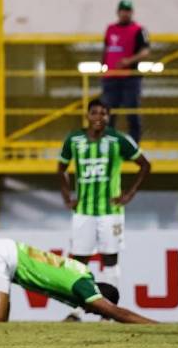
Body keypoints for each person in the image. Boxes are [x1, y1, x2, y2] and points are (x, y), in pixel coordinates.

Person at [57, 98, 150, 321]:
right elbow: (61, 168)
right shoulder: (74, 139)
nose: (99, 117)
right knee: (79, 262)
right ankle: (78, 311)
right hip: (83, 211)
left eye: (103, 114)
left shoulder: (118, 140)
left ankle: (108, 311)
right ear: (87, 115)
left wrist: (129, 194)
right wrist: (67, 195)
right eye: (95, 113)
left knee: (110, 260)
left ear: (109, 117)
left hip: (110, 212)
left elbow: (145, 165)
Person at [0, 238, 156, 324]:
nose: (89, 312)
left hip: (5, 254)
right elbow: (120, 313)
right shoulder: (84, 285)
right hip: (0, 255)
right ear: (100, 296)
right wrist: (155, 327)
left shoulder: (82, 275)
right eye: (97, 311)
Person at [101, 0, 150, 143]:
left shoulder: (139, 30)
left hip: (130, 77)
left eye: (127, 11)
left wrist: (128, 61)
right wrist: (103, 67)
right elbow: (106, 49)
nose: (125, 14)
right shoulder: (110, 29)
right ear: (118, 12)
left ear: (131, 13)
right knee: (108, 112)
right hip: (111, 77)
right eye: (122, 11)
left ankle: (134, 143)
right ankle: (107, 142)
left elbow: (145, 51)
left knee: (132, 111)